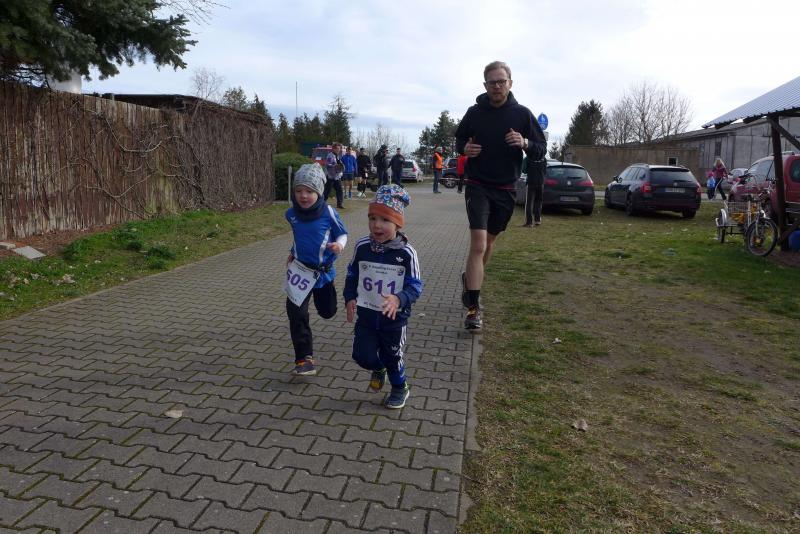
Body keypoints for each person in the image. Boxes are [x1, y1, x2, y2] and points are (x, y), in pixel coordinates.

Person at [454, 60, 546, 330]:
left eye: (501, 81)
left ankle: (470, 280)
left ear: (510, 83)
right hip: (477, 184)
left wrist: (525, 142)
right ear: (485, 85)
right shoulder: (474, 113)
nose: (496, 86)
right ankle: (473, 309)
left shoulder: (522, 114)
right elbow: (459, 140)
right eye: (492, 82)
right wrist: (465, 149)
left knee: (489, 244)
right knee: (479, 244)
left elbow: (541, 148)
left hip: (506, 188)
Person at [344, 184, 423, 409]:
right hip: (367, 316)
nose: (377, 225)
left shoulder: (407, 253)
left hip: (394, 320)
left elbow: (416, 286)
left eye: (385, 220)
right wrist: (349, 297)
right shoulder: (362, 247)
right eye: (372, 218)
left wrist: (399, 299)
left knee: (393, 356)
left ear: (398, 224)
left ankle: (400, 387)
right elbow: (352, 274)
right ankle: (378, 368)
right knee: (362, 355)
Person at [284, 163, 348, 376]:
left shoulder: (328, 212)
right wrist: (293, 252)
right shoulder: (291, 214)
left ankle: (327, 304)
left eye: (309, 191)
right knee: (296, 314)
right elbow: (300, 237)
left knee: (328, 311)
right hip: (300, 271)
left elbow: (342, 233)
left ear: (319, 192)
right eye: (299, 190)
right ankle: (304, 359)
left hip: (322, 273)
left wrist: (339, 245)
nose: (303, 196)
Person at [523, 157, 545, 226]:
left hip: (531, 182)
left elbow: (524, 170)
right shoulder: (543, 158)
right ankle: (537, 220)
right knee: (538, 201)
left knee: (529, 202)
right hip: (540, 182)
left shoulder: (528, 158)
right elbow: (545, 170)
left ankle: (529, 222)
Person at [323, 142, 346, 209]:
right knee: (327, 191)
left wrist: (341, 166)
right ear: (333, 149)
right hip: (330, 176)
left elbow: (339, 164)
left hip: (337, 176)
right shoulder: (330, 155)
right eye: (337, 148)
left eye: (339, 148)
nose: (339, 150)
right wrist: (335, 166)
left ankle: (339, 204)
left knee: (339, 190)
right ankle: (322, 203)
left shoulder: (337, 156)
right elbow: (327, 164)